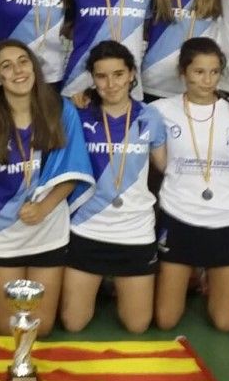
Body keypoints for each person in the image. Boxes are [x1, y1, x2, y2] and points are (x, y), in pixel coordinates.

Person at [0, 40, 94, 337]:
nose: (18, 70)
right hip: (1, 233)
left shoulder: (61, 110)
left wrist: (43, 207)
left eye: (23, 62)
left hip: (47, 229)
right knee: (7, 329)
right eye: (7, 66)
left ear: (35, 68)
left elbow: (73, 171)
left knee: (42, 328)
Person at [63, 41, 167, 334]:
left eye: (118, 74)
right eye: (102, 76)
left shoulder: (150, 116)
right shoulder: (78, 115)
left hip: (135, 229)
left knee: (137, 326)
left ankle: (114, 288)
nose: (111, 84)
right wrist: (69, 102)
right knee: (73, 323)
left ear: (132, 74)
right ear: (92, 79)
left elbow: (165, 167)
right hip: (87, 227)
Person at [150, 38, 229, 333]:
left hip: (227, 219)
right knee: (166, 320)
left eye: (214, 72)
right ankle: (193, 276)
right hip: (179, 217)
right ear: (183, 72)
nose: (207, 80)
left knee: (224, 323)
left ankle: (224, 279)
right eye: (198, 72)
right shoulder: (160, 111)